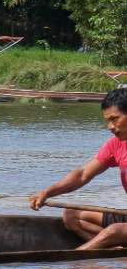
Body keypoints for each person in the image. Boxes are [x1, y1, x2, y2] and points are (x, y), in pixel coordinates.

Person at [31, 88, 127, 250]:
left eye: (115, 119)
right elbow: (82, 174)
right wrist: (47, 193)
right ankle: (114, 251)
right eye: (107, 121)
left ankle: (71, 261)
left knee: (113, 231)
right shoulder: (116, 144)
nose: (110, 126)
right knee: (71, 215)